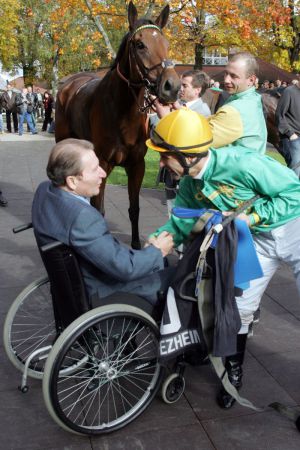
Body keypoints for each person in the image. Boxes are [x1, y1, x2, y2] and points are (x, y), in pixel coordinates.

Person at [146, 108, 300, 409]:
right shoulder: (191, 182)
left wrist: (252, 217)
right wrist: (160, 238)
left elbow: (294, 193)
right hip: (254, 241)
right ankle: (233, 372)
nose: (161, 162)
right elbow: (182, 220)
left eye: (165, 155)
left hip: (293, 228)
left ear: (188, 155)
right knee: (238, 307)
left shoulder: (244, 163)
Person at [32, 138, 174, 305]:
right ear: (72, 181)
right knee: (182, 276)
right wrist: (158, 251)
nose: (104, 173)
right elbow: (125, 268)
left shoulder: (44, 190)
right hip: (106, 294)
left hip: (74, 286)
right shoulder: (82, 218)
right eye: (94, 169)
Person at [154, 52, 267, 155]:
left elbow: (196, 141)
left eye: (234, 76)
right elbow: (209, 121)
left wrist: (167, 117)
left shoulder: (236, 110)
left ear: (251, 80)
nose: (226, 80)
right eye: (226, 74)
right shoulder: (249, 99)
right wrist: (179, 110)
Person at [275, 80, 300, 178]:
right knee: (296, 171)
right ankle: (292, 193)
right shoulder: (289, 91)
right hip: (293, 137)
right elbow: (279, 115)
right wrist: (290, 134)